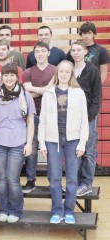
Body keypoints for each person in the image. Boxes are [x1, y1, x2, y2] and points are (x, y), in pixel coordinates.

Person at [38, 60, 89, 224]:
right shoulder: (49, 93)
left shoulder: (78, 93)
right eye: (61, 71)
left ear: (71, 74)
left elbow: (84, 120)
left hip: (73, 140)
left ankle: (69, 211)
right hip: (53, 140)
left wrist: (82, 142)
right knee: (55, 178)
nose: (64, 74)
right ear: (57, 73)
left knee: (72, 178)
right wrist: (42, 142)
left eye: (68, 71)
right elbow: (43, 120)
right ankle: (57, 210)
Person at [0, 63, 35, 223]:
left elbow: (30, 121)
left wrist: (29, 144)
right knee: (1, 178)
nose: (8, 78)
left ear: (17, 77)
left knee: (12, 178)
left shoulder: (25, 95)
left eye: (11, 75)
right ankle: (3, 209)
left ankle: (15, 210)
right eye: (5, 75)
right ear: (2, 77)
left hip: (18, 142)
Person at [0, 39, 23, 189]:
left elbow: (18, 88)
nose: (1, 51)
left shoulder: (18, 69)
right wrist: (6, 86)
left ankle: (13, 180)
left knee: (15, 148)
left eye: (3, 49)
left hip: (15, 114)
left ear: (9, 50)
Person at [22, 41, 56, 193]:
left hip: (52, 115)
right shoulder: (28, 72)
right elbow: (26, 94)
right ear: (34, 54)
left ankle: (53, 182)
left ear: (48, 53)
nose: (40, 54)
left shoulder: (56, 71)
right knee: (32, 148)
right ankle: (30, 181)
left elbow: (54, 91)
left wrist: (36, 90)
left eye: (43, 51)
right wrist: (45, 90)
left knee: (52, 149)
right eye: (37, 51)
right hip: (33, 114)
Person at [70, 41, 102, 196]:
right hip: (71, 118)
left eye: (79, 50)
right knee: (75, 151)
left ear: (85, 52)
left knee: (88, 151)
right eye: (73, 50)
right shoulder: (68, 70)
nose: (76, 52)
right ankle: (74, 184)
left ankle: (86, 184)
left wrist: (91, 114)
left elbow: (97, 95)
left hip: (88, 116)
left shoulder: (93, 70)